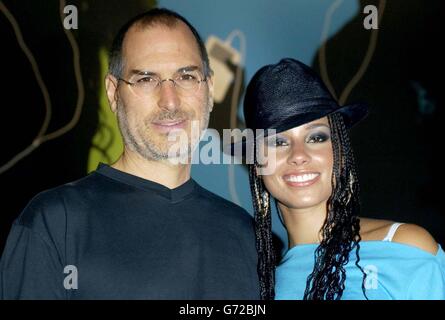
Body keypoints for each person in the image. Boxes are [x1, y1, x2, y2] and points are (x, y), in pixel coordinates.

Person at [0, 8, 259, 299]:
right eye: (146, 79)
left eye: (186, 76)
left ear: (209, 90)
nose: (170, 101)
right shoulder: (54, 222)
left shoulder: (245, 233)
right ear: (113, 93)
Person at [239, 58, 445, 300]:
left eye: (316, 137)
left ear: (340, 148)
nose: (298, 155)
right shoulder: (258, 288)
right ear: (257, 163)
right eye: (278, 142)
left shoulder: (405, 248)